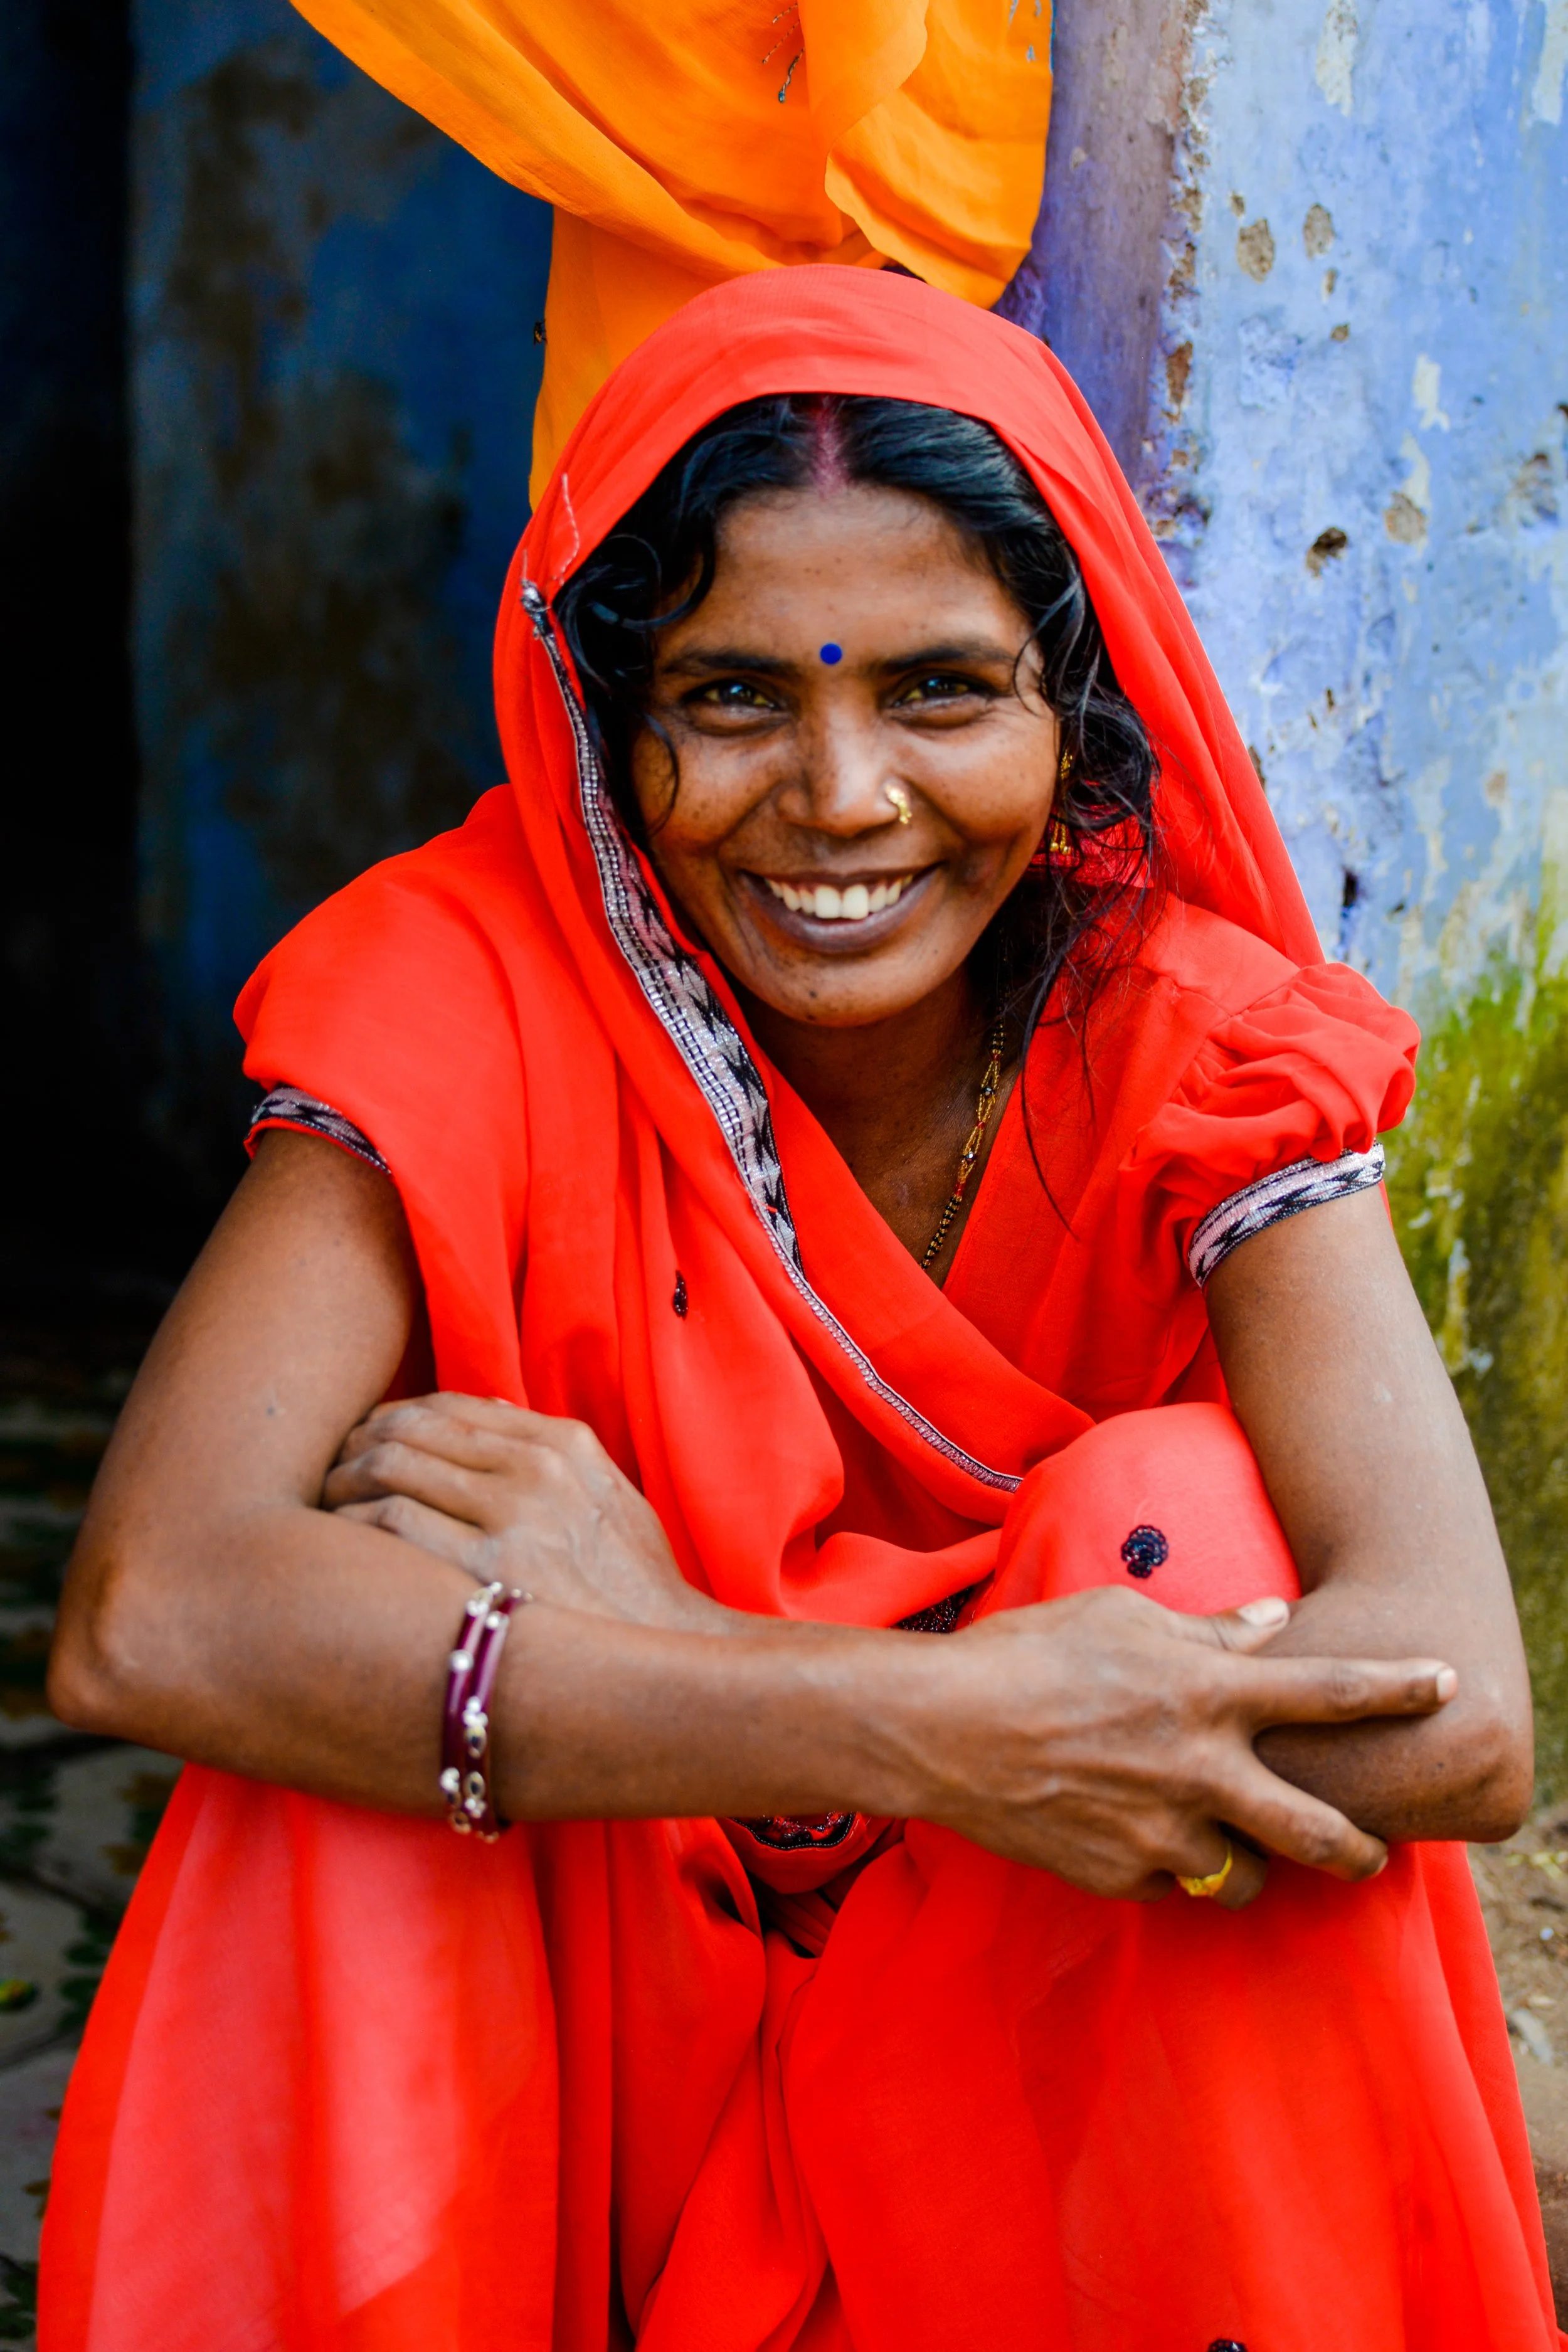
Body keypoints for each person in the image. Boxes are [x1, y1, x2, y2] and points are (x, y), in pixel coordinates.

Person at [41, 270, 1557, 2351]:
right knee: (345, 1674)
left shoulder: (1195, 1051)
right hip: (601, 1995)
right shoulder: (467, 988)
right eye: (735, 696)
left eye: (940, 691)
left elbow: (1453, 1705)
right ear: (607, 715)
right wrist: (919, 1725)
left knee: (1175, 1519)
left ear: (1072, 708)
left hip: (1045, 2019)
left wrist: (691, 1652)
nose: (841, 798)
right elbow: (160, 1606)